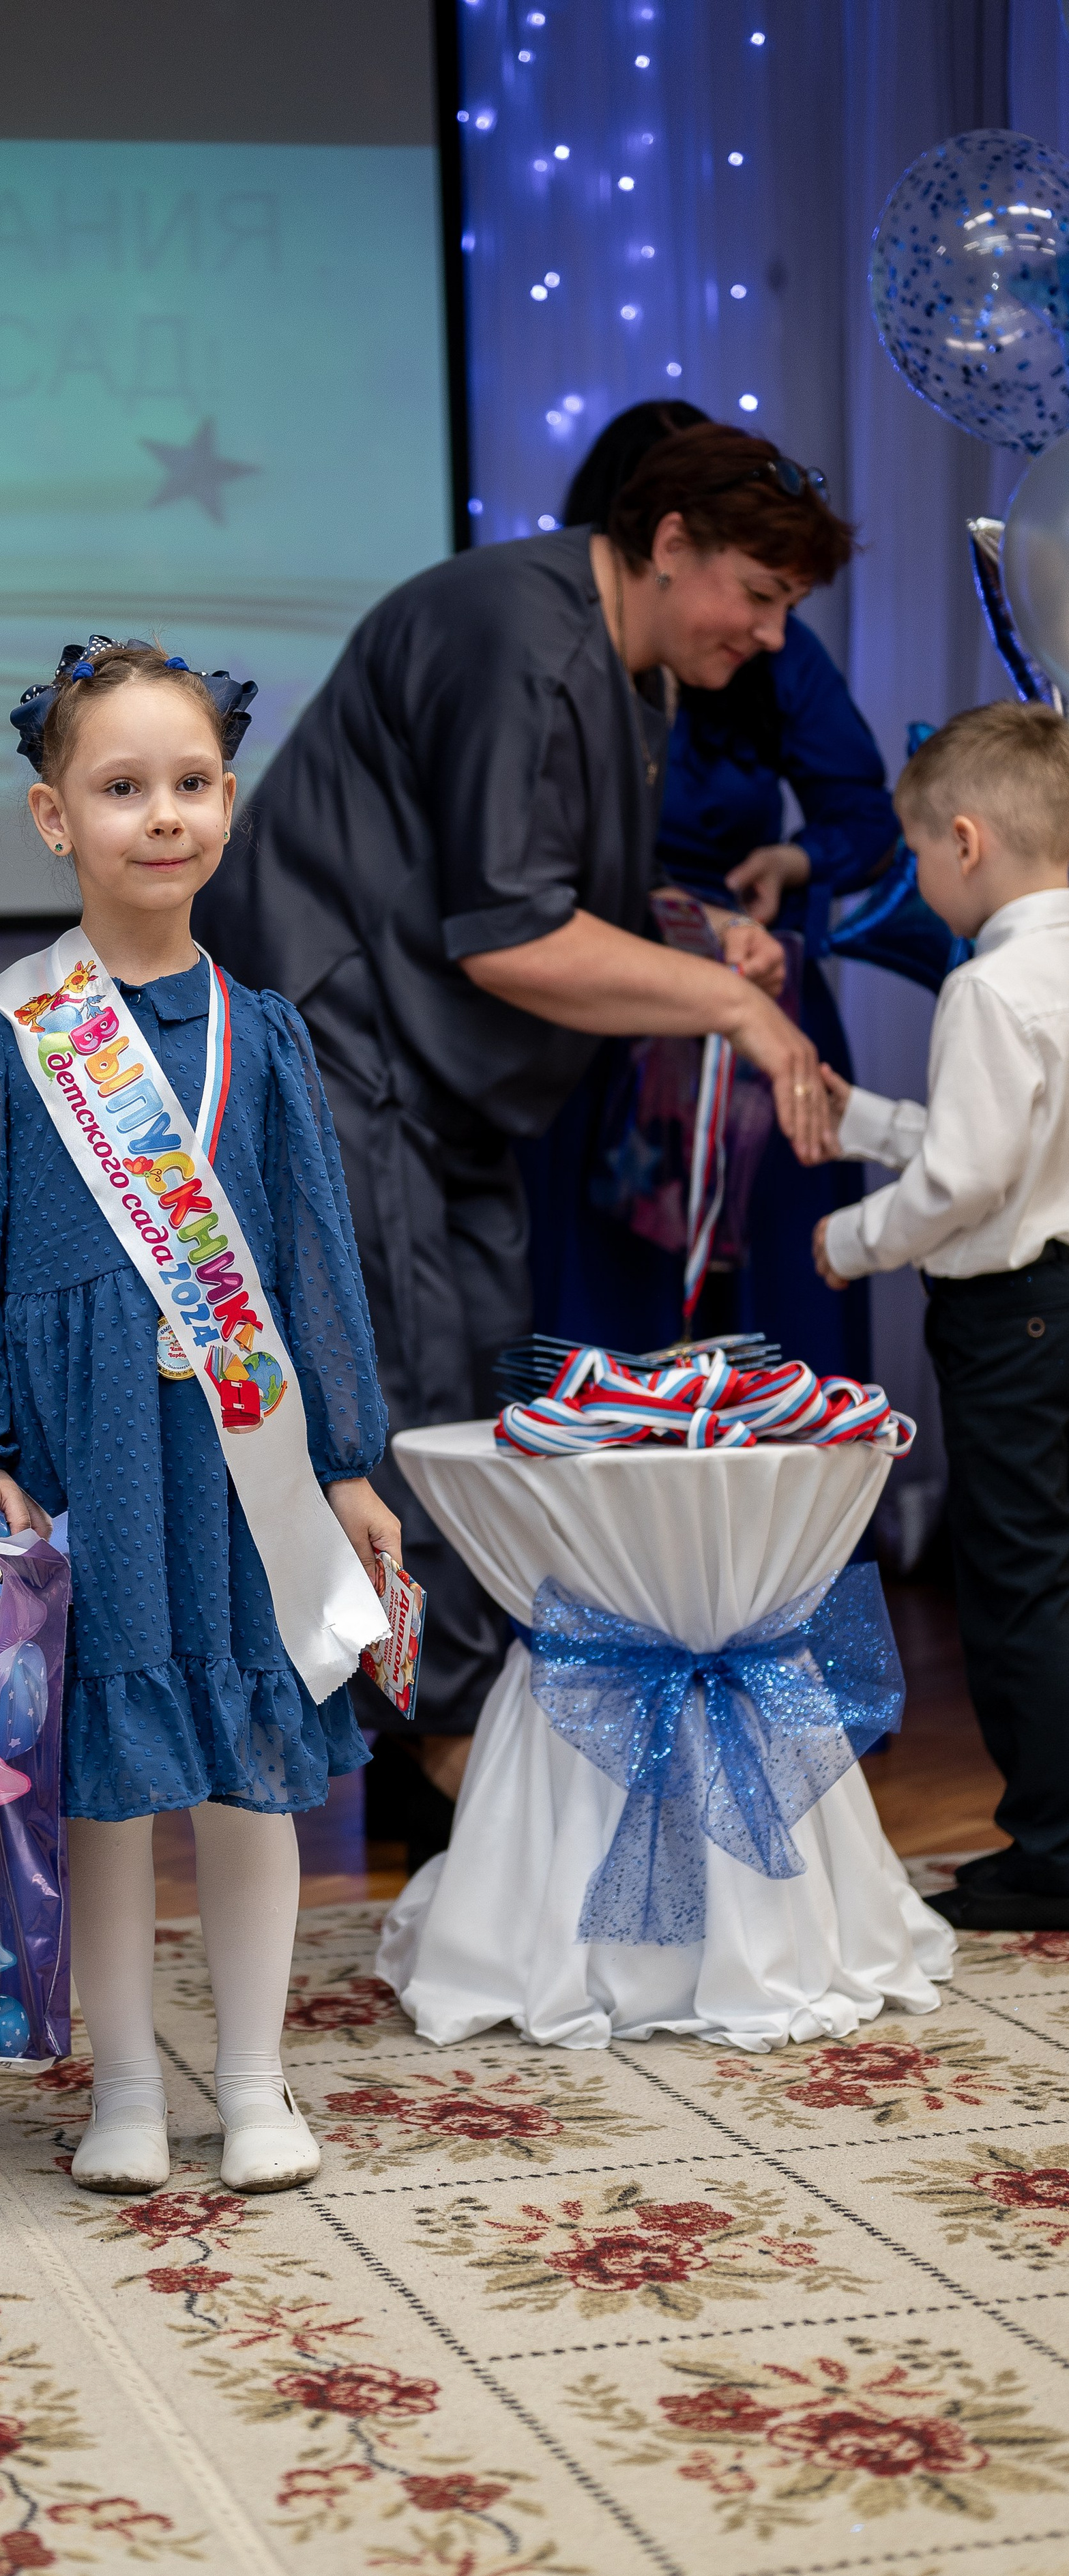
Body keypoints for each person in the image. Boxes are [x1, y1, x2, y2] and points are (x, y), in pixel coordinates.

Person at [194, 420, 849, 1847]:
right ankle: (451, 1771)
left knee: (475, 1412)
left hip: (443, 1086)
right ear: (668, 541)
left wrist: (691, 935)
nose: (767, 630)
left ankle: (449, 1776)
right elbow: (506, 935)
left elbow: (545, 891)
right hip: (352, 1057)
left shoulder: (619, 660)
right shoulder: (522, 633)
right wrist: (729, 1012)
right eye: (756, 590)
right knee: (414, 1412)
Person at [0, 636, 398, 2195]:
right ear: (56, 818)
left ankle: (251, 2080)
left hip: (240, 1475)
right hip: (86, 1468)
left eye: (188, 784)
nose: (159, 815)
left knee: (256, 1770)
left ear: (229, 802)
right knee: (101, 1788)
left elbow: (312, 1255)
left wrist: (349, 1464)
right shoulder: (4, 1035)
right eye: (120, 788)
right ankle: (123, 2085)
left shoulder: (270, 1032)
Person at [521, 400, 898, 1376]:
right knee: (602, 1314)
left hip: (757, 1007)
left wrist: (796, 862)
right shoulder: (551, 654)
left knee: (781, 1303)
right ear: (650, 544)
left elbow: (866, 819)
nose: (764, 628)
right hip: (598, 1011)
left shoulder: (774, 647)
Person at [815, 703, 1069, 1935]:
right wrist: (863, 1119)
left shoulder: (988, 984)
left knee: (1020, 1579)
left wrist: (849, 1239)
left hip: (1015, 1321)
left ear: (966, 842)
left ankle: (1053, 1849)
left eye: (916, 855)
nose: (917, 880)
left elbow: (968, 1183)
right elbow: (1010, 1149)